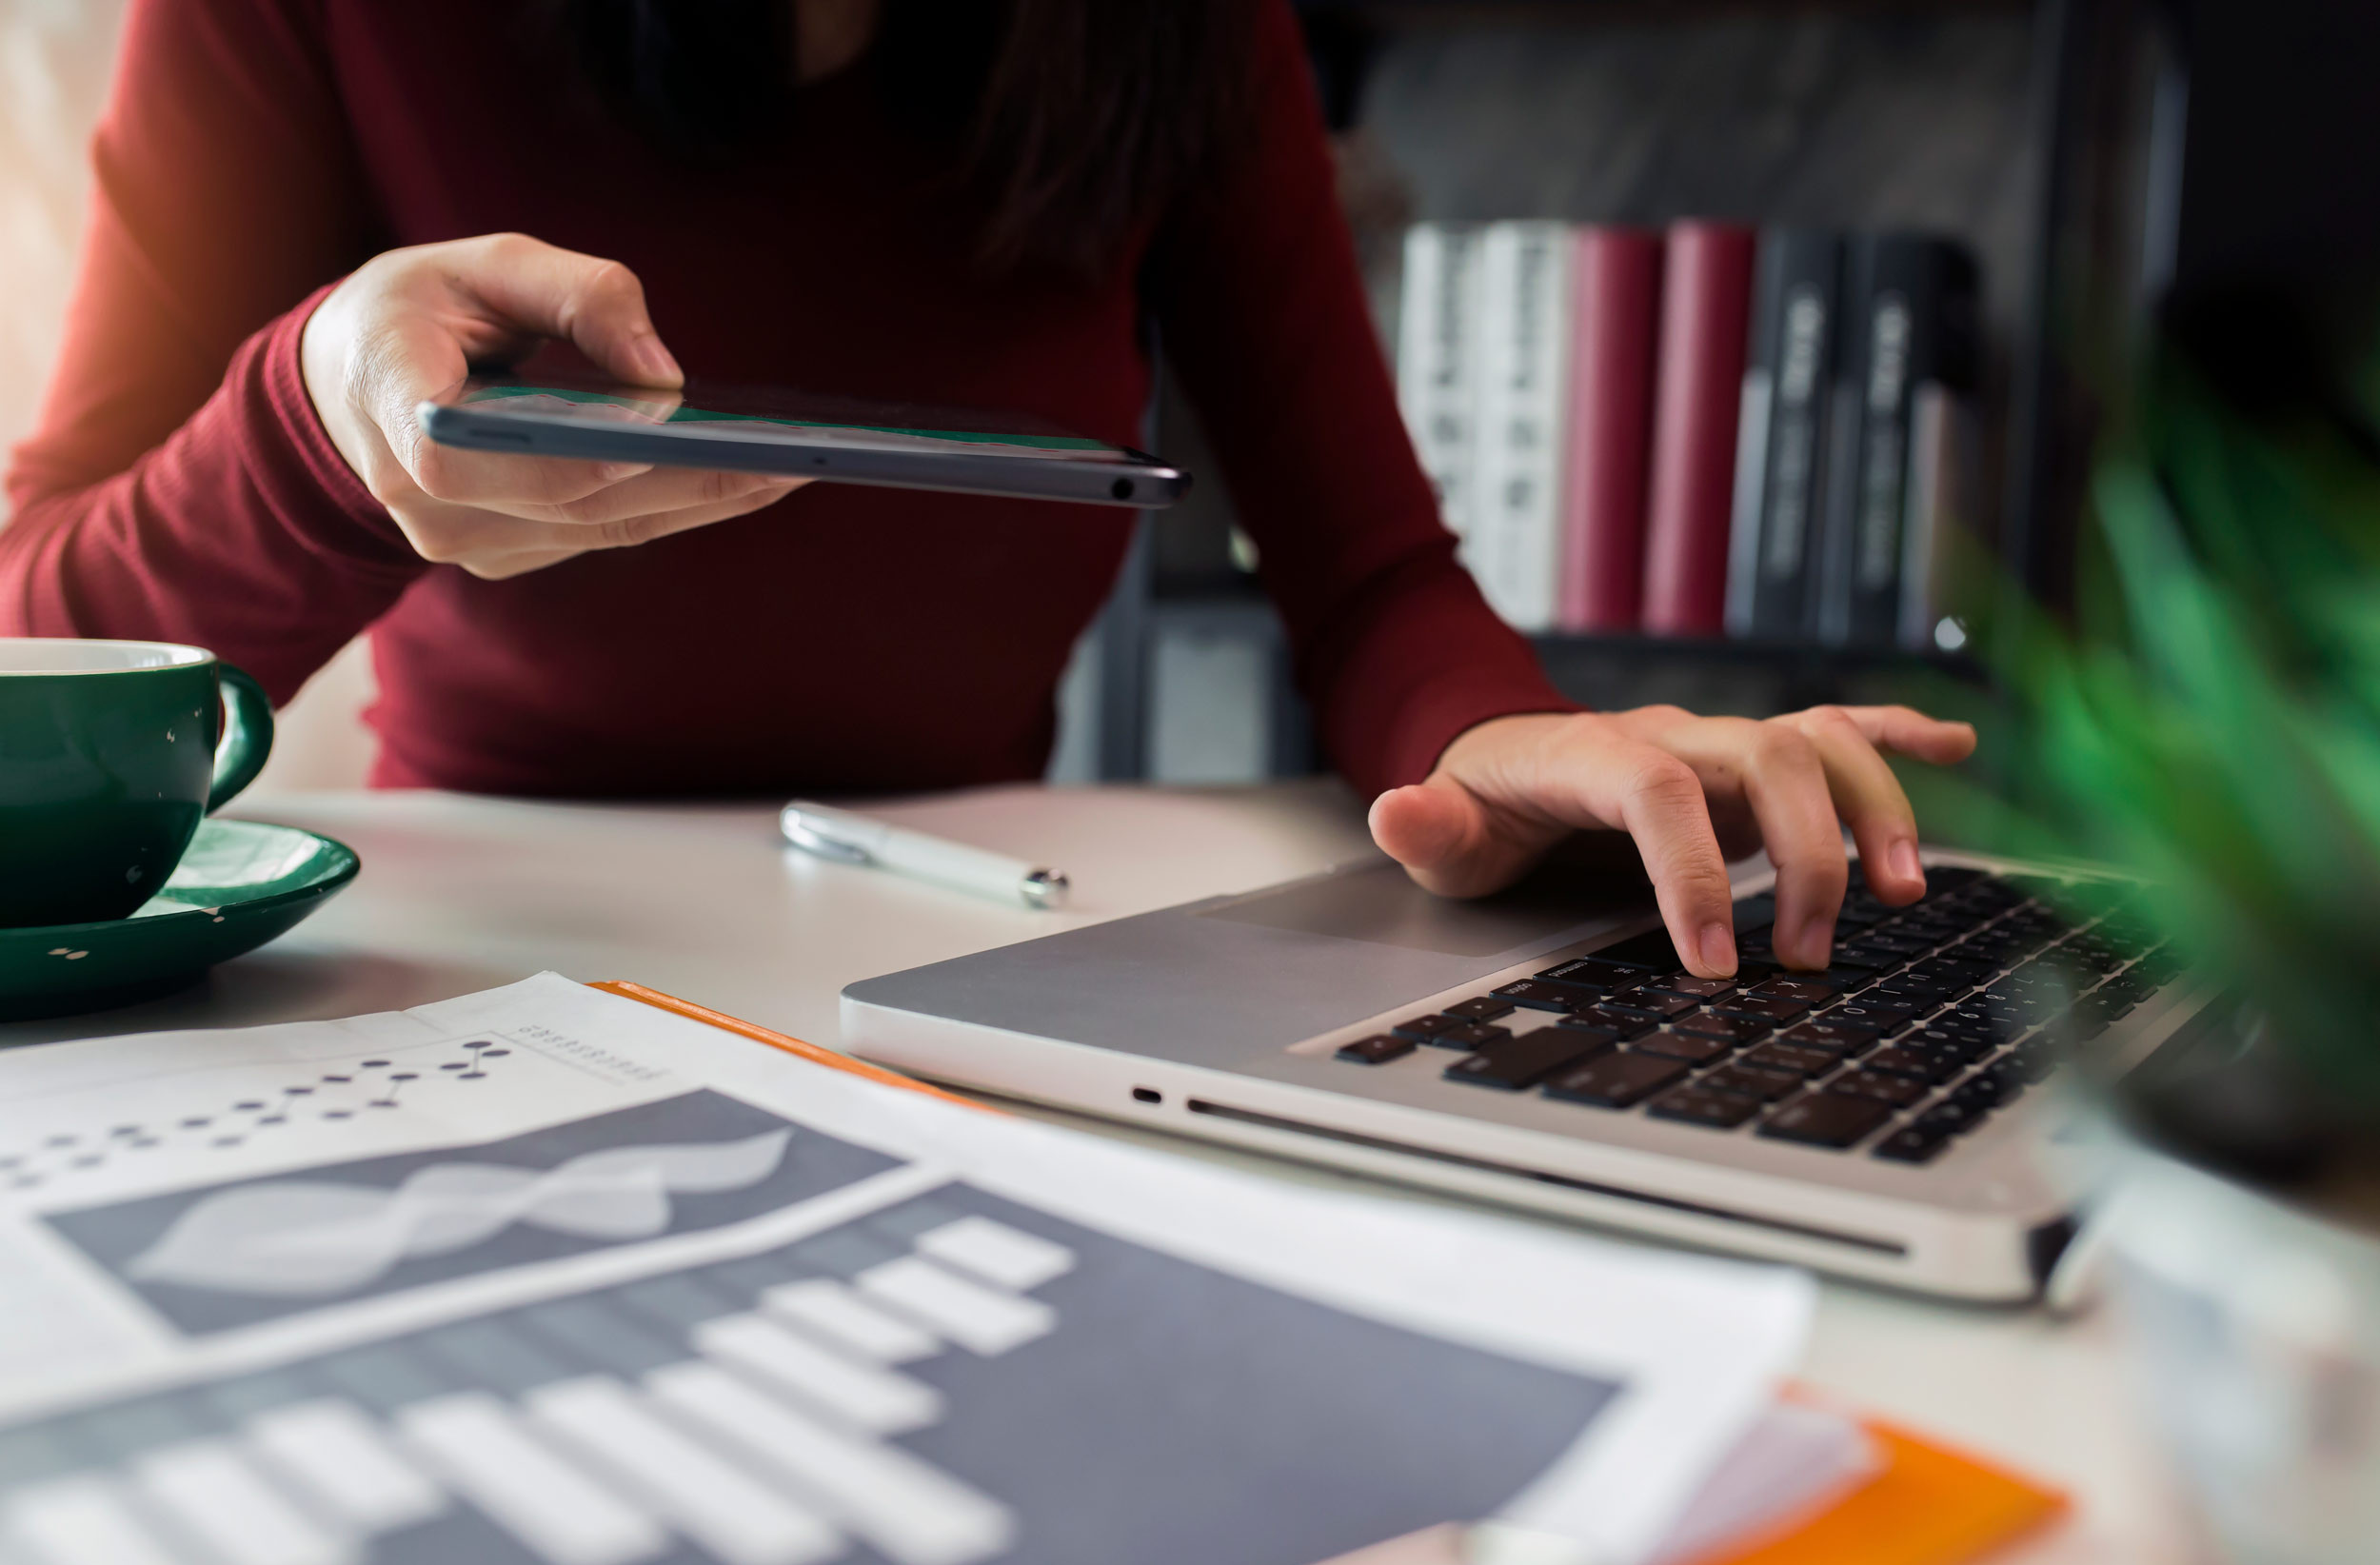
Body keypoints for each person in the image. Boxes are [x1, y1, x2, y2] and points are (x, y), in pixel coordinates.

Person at [0, 0, 1973, 980]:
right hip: (481, 946)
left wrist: (1512, 738)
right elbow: (36, 624)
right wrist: (311, 420)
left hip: (987, 949)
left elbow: (1366, 570)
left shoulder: (1169, 32)